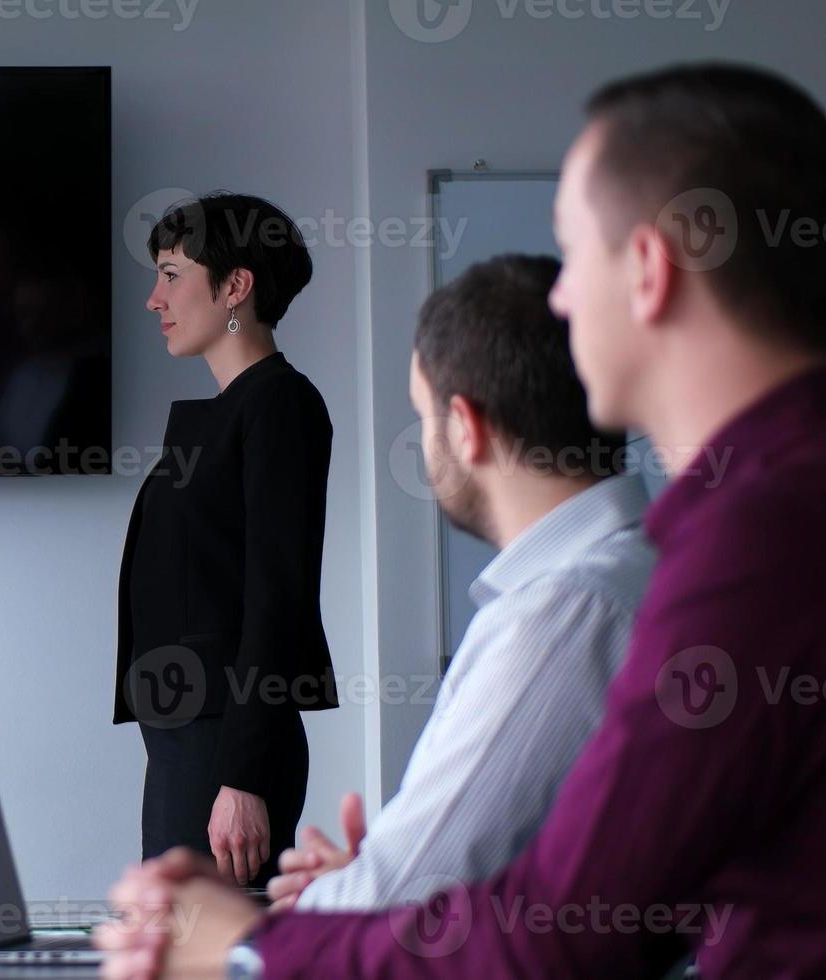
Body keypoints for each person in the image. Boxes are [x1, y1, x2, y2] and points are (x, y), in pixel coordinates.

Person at [99, 62, 826, 978]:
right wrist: (371, 893)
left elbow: (565, 930)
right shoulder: (724, 533)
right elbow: (609, 897)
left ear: (645, 269)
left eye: (573, 257)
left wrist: (248, 949)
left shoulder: (702, 564)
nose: (555, 303)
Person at [262, 253, 653, 913]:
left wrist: (229, 937)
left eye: (423, 415)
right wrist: (359, 878)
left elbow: (400, 897)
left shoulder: (564, 614)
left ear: (465, 428)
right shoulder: (633, 571)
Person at [115, 192, 338, 886]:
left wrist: (240, 778)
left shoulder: (277, 405)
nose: (155, 299)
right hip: (190, 740)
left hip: (226, 750)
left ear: (235, 285)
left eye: (172, 273)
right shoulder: (229, 413)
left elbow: (278, 596)